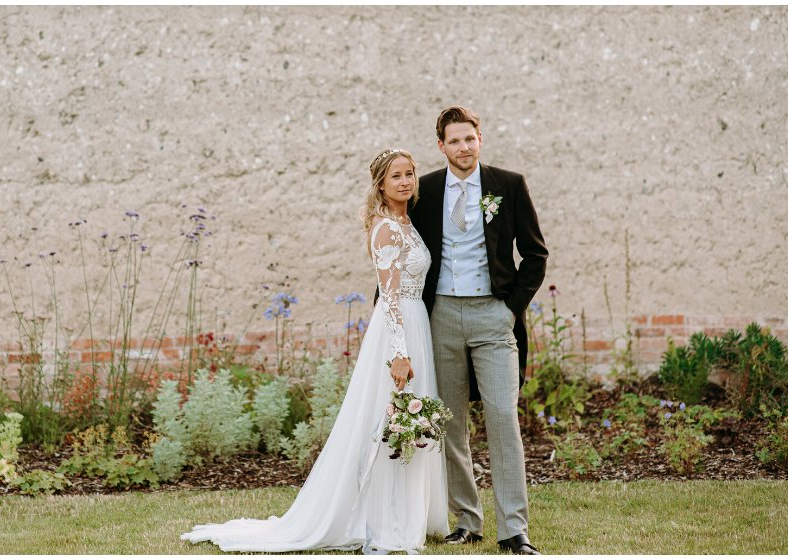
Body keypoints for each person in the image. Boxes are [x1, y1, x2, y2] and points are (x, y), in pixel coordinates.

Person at [181, 148, 448, 553]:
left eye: (410, 174)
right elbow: (389, 297)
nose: (406, 181)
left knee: (407, 421)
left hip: (416, 324)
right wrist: (399, 352)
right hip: (399, 329)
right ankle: (381, 521)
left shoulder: (406, 222)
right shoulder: (386, 229)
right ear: (381, 184)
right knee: (387, 421)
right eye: (396, 176)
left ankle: (407, 513)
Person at [408, 106, 548, 555]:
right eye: (454, 141)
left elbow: (535, 254)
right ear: (441, 146)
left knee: (503, 418)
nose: (463, 147)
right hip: (441, 317)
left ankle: (514, 530)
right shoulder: (424, 191)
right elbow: (406, 255)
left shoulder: (508, 185)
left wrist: (510, 309)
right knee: (450, 423)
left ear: (479, 139)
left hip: (493, 316)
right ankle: (467, 520)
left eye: (470, 139)